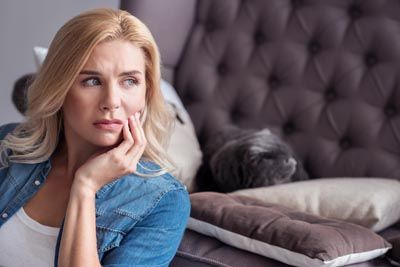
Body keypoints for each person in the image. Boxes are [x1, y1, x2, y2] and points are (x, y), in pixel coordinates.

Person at [0, 8, 190, 267]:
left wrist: (85, 187)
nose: (111, 101)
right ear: (60, 88)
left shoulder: (163, 200)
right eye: (91, 81)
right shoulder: (8, 145)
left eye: (130, 81)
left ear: (147, 93)